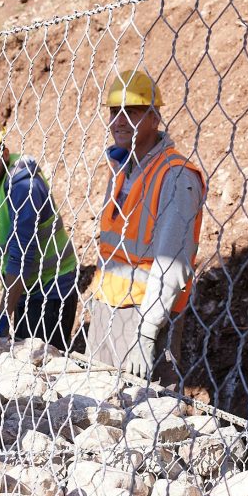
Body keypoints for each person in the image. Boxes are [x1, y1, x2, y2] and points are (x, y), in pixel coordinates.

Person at [85, 70, 205, 380]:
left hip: (145, 315)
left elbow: (173, 263)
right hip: (106, 308)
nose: (120, 121)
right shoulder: (123, 168)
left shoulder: (175, 177)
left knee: (144, 414)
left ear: (154, 118)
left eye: (132, 112)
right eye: (114, 112)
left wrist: (149, 329)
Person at [0, 113, 79, 350]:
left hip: (52, 287)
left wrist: (3, 313)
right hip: (21, 287)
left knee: (40, 359)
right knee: (22, 351)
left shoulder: (24, 185)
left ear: (4, 151)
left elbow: (20, 254)